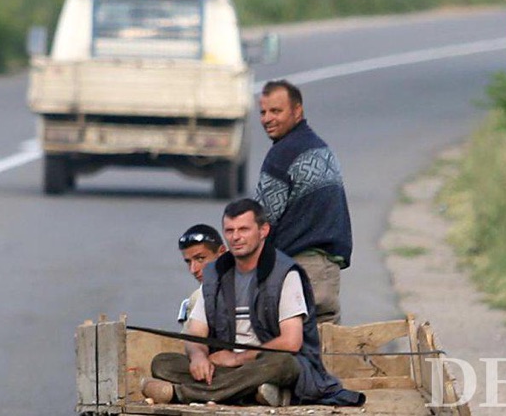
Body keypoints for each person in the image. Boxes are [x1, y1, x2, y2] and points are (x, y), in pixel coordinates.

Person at [143, 200, 364, 408]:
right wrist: (199, 357)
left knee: (283, 364)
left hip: (265, 362)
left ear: (263, 231)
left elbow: (291, 342)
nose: (236, 237)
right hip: (224, 366)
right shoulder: (215, 275)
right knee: (162, 363)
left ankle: (182, 394)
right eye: (230, 231)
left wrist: (238, 358)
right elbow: (195, 334)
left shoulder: (284, 273)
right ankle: (254, 392)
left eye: (244, 229)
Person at [254, 79, 352, 325]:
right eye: (263, 112)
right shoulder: (321, 148)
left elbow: (262, 222)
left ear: (297, 111)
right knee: (327, 347)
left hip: (299, 270)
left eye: (276, 111)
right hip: (327, 271)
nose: (267, 119)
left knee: (292, 353)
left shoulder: (281, 155)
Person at [176, 224, 226, 327]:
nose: (193, 269)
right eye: (188, 262)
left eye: (200, 259)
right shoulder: (197, 297)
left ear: (222, 253)